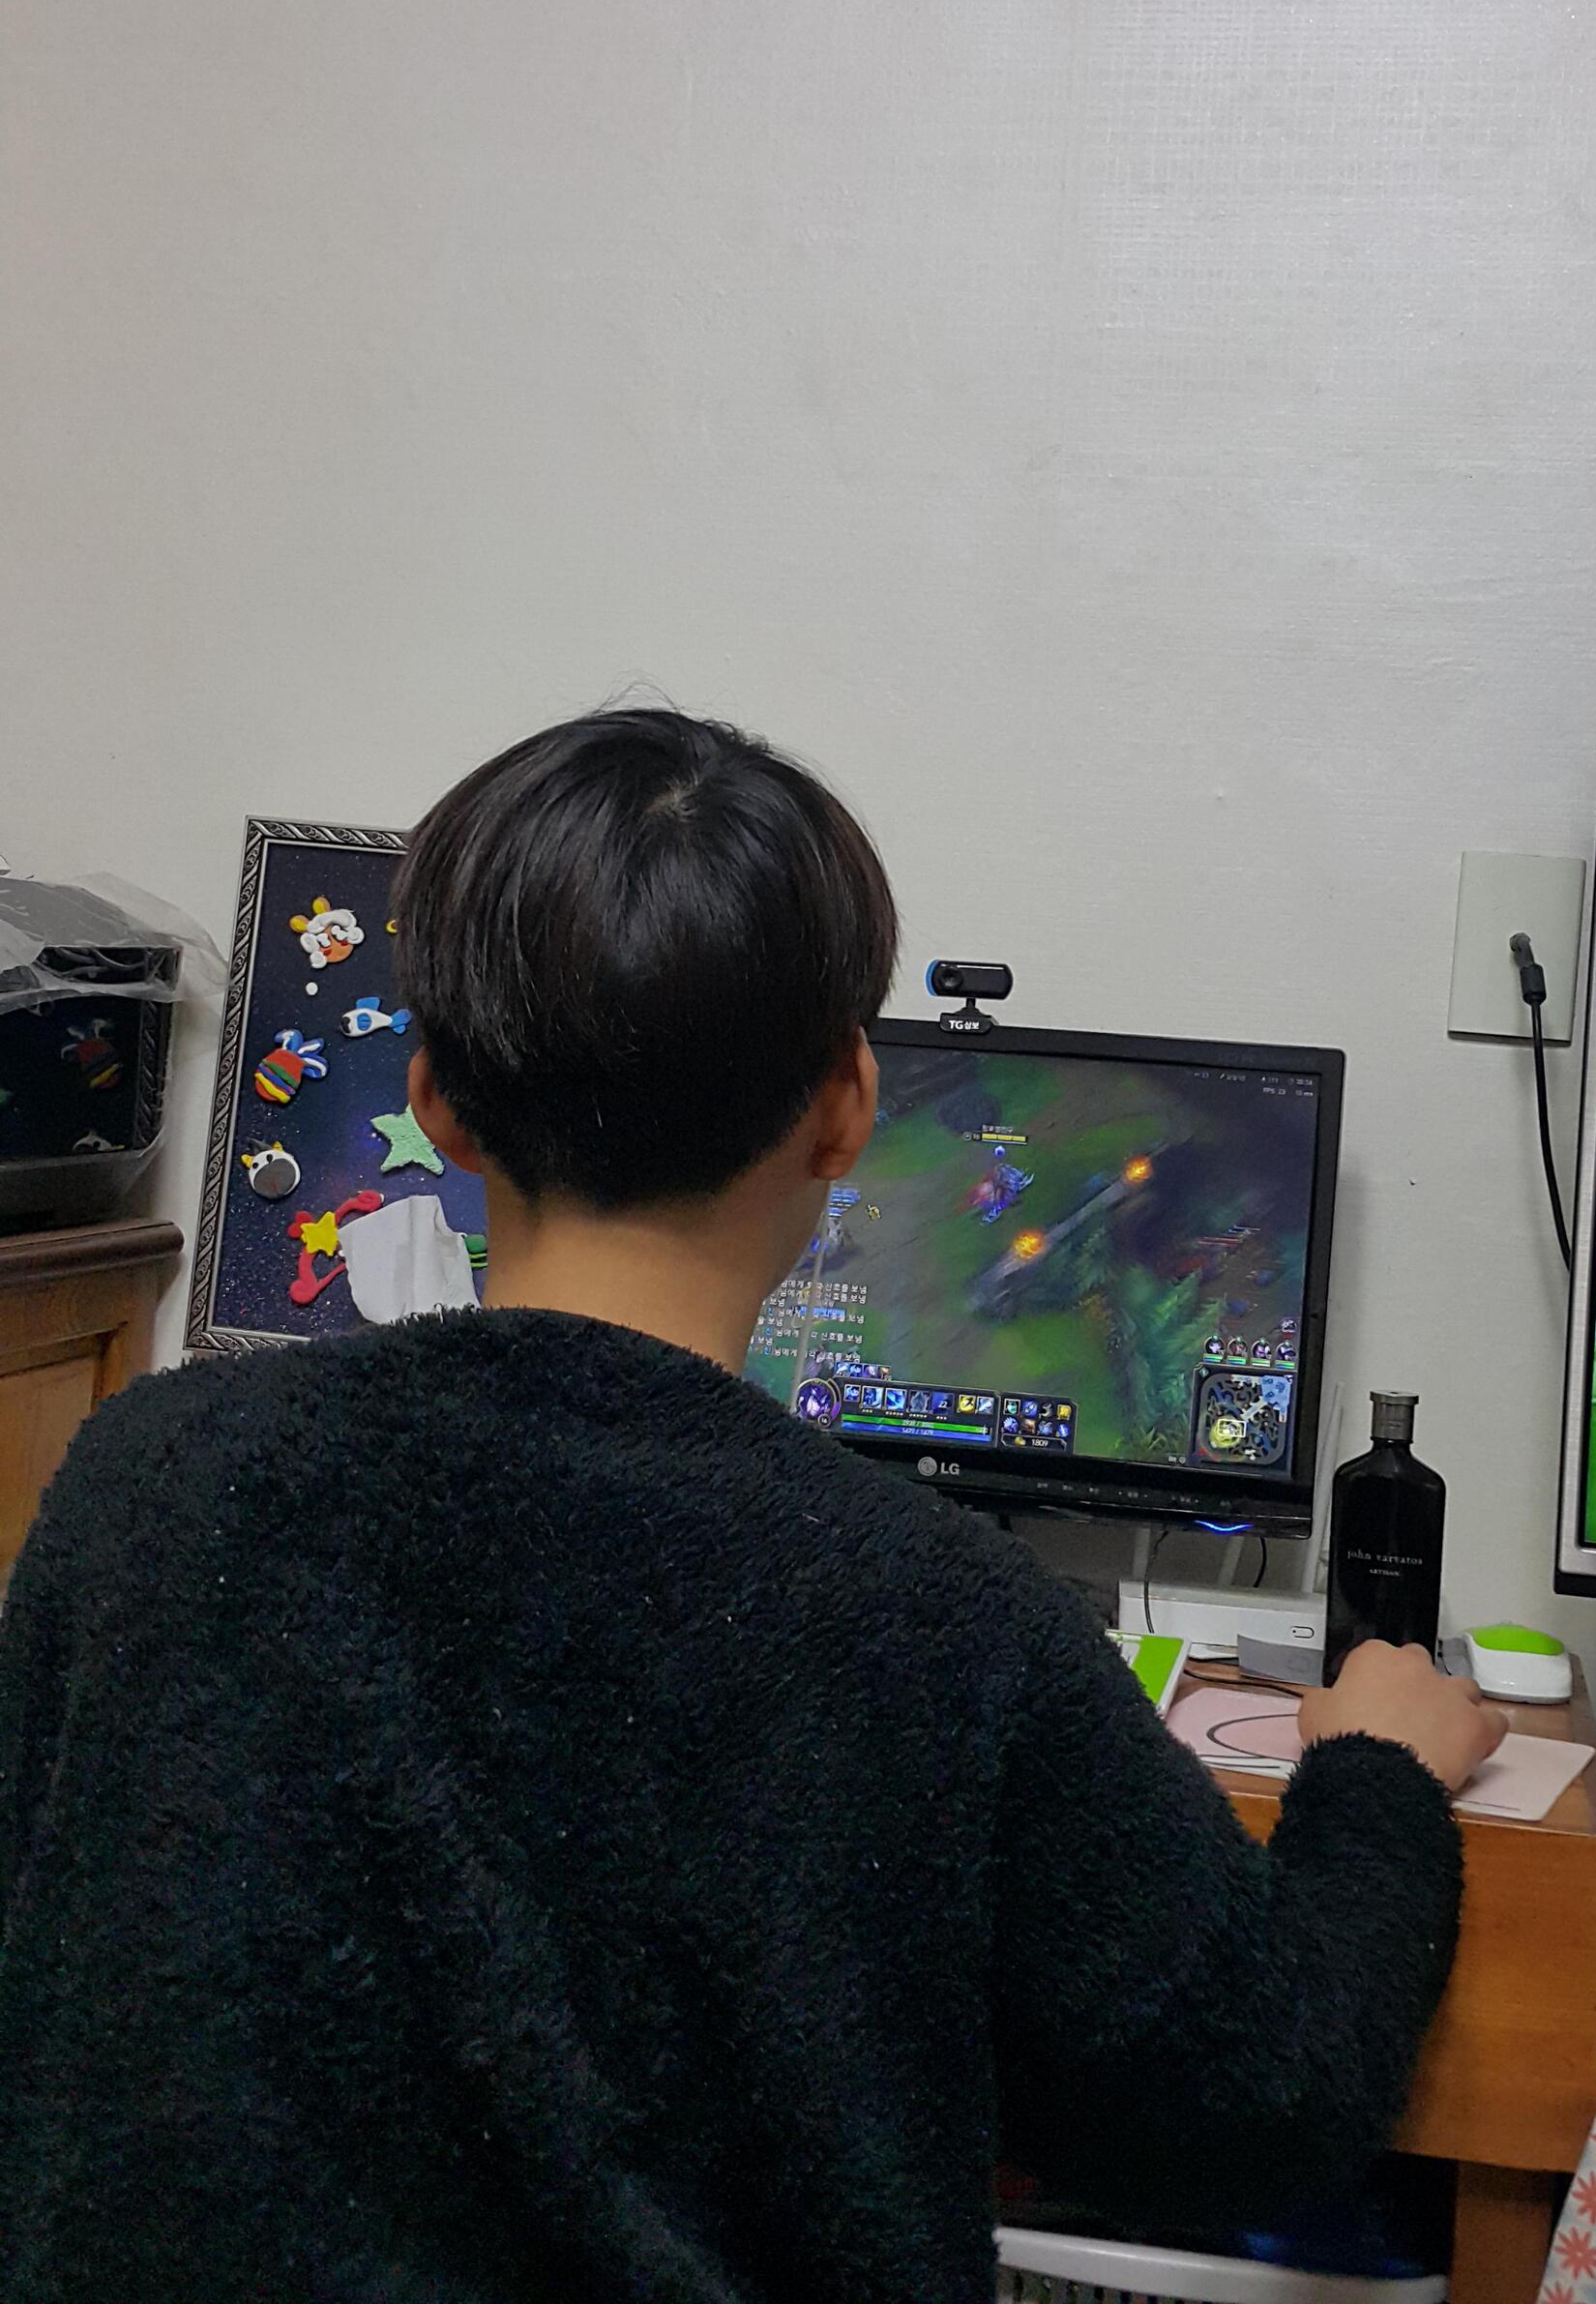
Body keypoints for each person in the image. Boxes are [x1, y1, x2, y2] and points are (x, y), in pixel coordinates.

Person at [0, 709, 1505, 2304]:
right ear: (849, 1105)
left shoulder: (145, 1480)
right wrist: (1377, 1770)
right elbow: (1266, 2094)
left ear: (433, 1098)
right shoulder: (944, 1618)